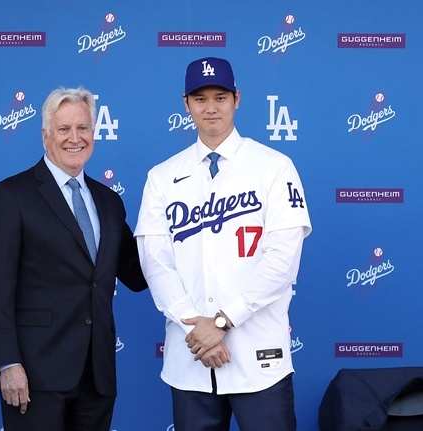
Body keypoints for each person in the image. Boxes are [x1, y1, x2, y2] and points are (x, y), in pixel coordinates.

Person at [134, 57, 312, 431]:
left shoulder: (274, 166)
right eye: (200, 99)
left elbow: (282, 260)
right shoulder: (162, 176)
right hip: (192, 357)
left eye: (220, 97)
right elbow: (155, 262)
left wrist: (222, 320)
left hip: (258, 356)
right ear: (186, 104)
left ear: (237, 99)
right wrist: (196, 327)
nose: (210, 107)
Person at [0, 86, 148, 431]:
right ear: (45, 136)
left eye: (83, 128)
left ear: (94, 133)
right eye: (64, 129)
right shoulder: (11, 195)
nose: (75, 138)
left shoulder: (109, 201)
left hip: (97, 376)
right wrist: (8, 363)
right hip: (34, 374)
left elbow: (139, 272)